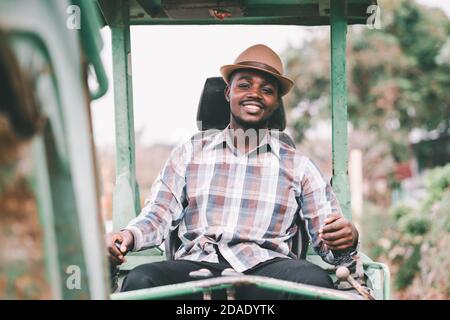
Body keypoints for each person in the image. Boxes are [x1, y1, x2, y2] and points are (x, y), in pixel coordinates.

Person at [106, 44, 359, 299]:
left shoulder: (299, 165)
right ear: (228, 93)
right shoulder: (190, 153)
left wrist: (345, 239)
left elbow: (329, 236)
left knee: (314, 282)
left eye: (267, 90)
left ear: (276, 103)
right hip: (197, 267)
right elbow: (158, 213)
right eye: (244, 85)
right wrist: (127, 236)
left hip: (268, 271)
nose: (255, 94)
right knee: (141, 281)